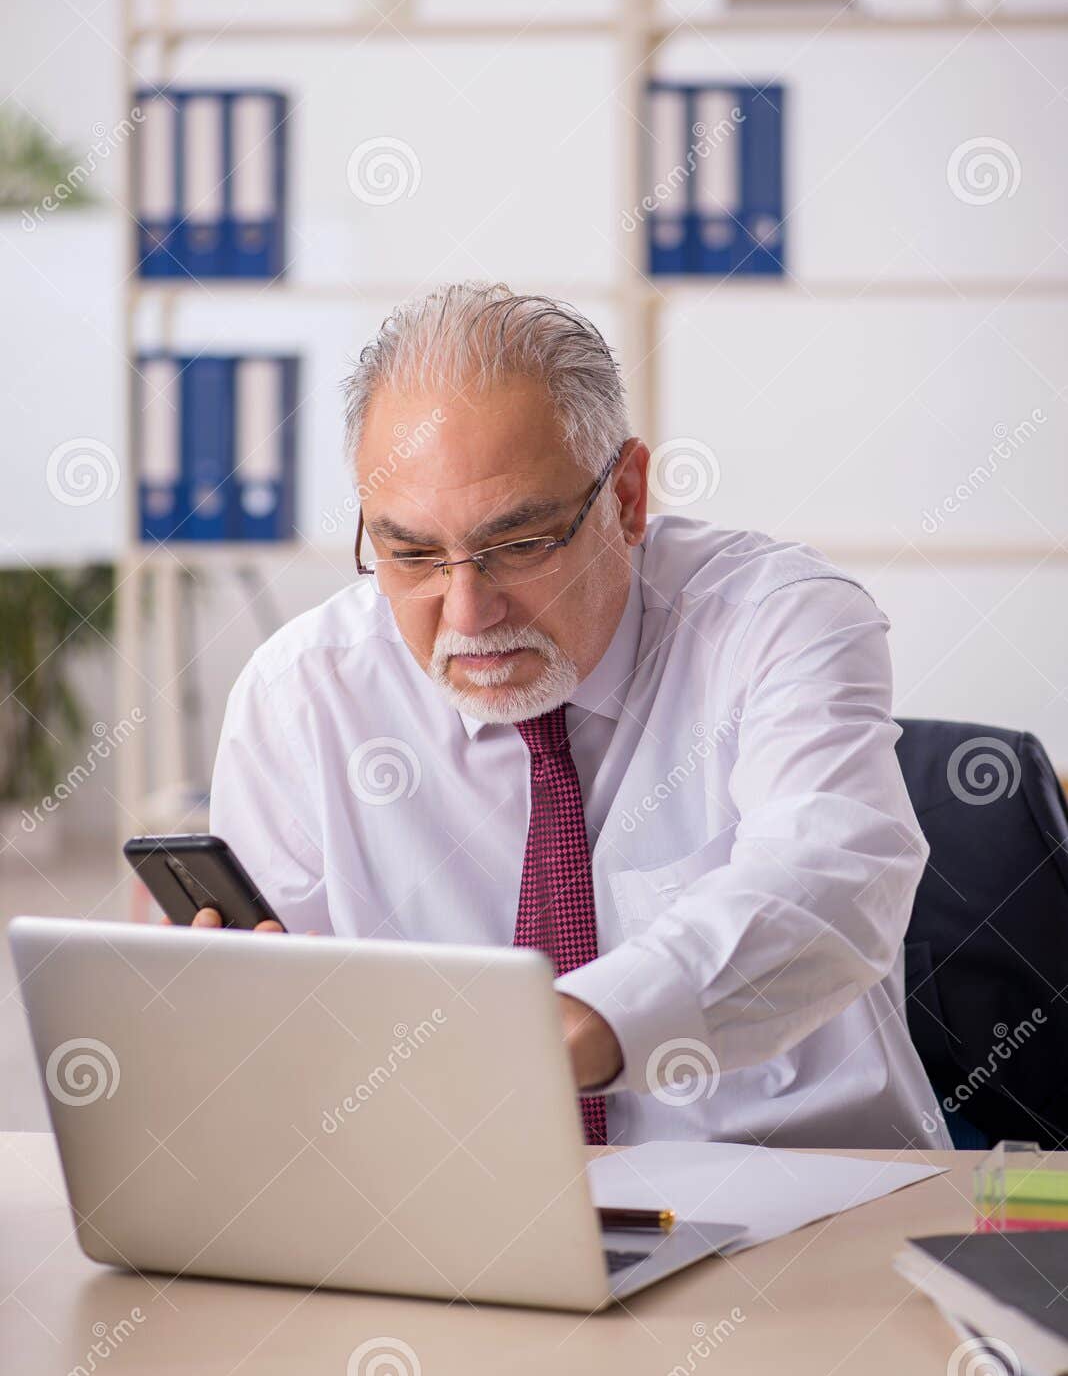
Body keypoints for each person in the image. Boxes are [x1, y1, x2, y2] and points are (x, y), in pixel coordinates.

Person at [202, 280, 948, 1149]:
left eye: (518, 545)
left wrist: (580, 1029)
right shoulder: (302, 693)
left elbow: (835, 873)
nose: (469, 614)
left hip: (804, 1209)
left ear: (627, 497)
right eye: (411, 555)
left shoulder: (775, 620)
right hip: (453, 1224)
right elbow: (287, 1035)